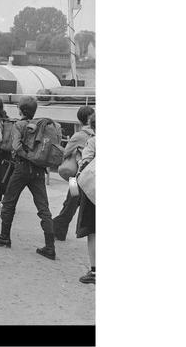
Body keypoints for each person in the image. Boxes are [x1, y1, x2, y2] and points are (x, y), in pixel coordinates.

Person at [0, 96, 57, 260]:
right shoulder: (42, 126)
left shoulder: (19, 125)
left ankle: (4, 236)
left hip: (22, 168)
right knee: (43, 207)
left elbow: (16, 146)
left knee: (9, 201)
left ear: (21, 110)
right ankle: (50, 246)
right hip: (39, 170)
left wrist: (27, 156)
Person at [53, 106, 95, 240]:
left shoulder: (78, 136)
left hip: (76, 177)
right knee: (72, 203)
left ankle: (57, 228)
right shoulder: (96, 135)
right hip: (90, 178)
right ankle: (58, 228)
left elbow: (65, 152)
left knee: (70, 202)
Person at [77, 113, 96, 284]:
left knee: (93, 231)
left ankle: (94, 271)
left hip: (94, 193)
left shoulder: (93, 141)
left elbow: (84, 164)